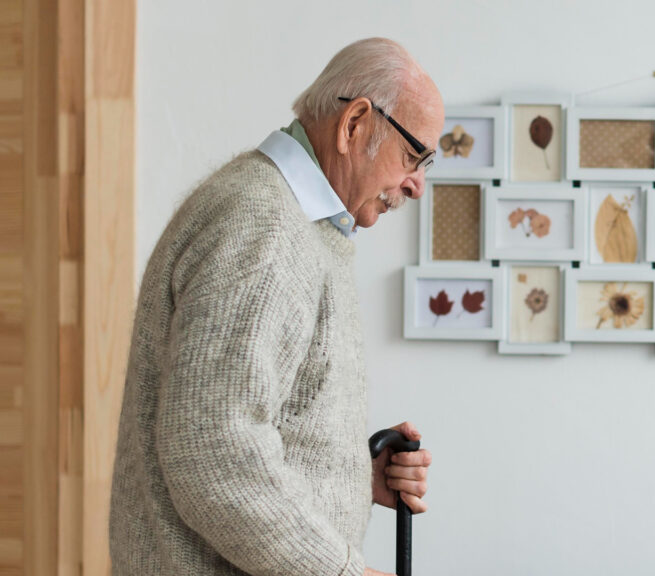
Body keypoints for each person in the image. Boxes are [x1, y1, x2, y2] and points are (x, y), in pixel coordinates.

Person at [109, 38, 443, 576]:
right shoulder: (262, 226)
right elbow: (213, 451)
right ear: (354, 124)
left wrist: (352, 474)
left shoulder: (289, 222)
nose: (417, 185)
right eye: (414, 156)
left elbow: (246, 418)